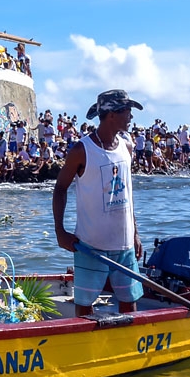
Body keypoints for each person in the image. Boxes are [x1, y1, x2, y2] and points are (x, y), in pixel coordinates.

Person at [53, 89, 145, 317]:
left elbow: (128, 194)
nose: (131, 117)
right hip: (90, 245)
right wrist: (60, 231)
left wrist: (135, 232)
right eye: (127, 111)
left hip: (124, 246)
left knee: (129, 300)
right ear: (112, 114)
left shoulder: (126, 146)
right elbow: (60, 189)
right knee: (85, 303)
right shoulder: (82, 150)